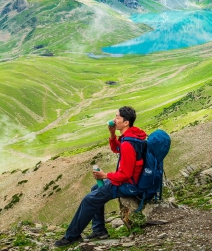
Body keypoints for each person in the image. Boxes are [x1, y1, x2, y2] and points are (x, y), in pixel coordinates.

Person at [54, 106, 147, 247]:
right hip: (131, 180)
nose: (114, 120)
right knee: (95, 189)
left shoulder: (128, 143)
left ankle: (71, 236)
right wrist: (112, 134)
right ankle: (99, 230)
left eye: (117, 117)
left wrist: (105, 175)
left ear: (126, 122)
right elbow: (117, 148)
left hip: (129, 185)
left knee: (88, 200)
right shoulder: (132, 136)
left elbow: (125, 174)